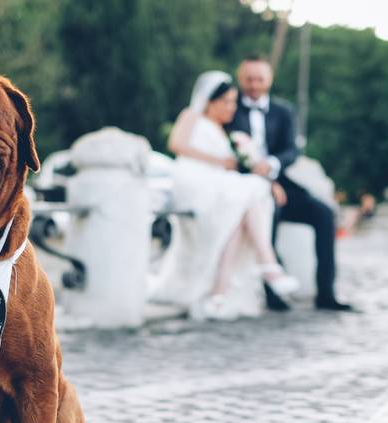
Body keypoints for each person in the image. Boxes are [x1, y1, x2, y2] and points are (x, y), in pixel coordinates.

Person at [151, 70, 298, 320]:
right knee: (250, 190)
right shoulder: (192, 116)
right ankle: (269, 265)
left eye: (233, 101)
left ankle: (221, 292)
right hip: (193, 179)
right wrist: (218, 161)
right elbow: (176, 145)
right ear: (210, 101)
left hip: (217, 183)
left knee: (243, 206)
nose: (231, 107)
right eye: (226, 101)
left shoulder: (226, 130)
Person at [229, 56, 353, 311]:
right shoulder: (230, 109)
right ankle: (274, 293)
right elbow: (227, 152)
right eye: (249, 79)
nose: (254, 84)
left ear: (269, 79)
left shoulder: (283, 111)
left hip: (282, 184)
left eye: (259, 79)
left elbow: (291, 151)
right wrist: (258, 175)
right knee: (268, 216)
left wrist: (272, 166)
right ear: (241, 79)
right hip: (247, 187)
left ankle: (326, 293)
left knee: (324, 214)